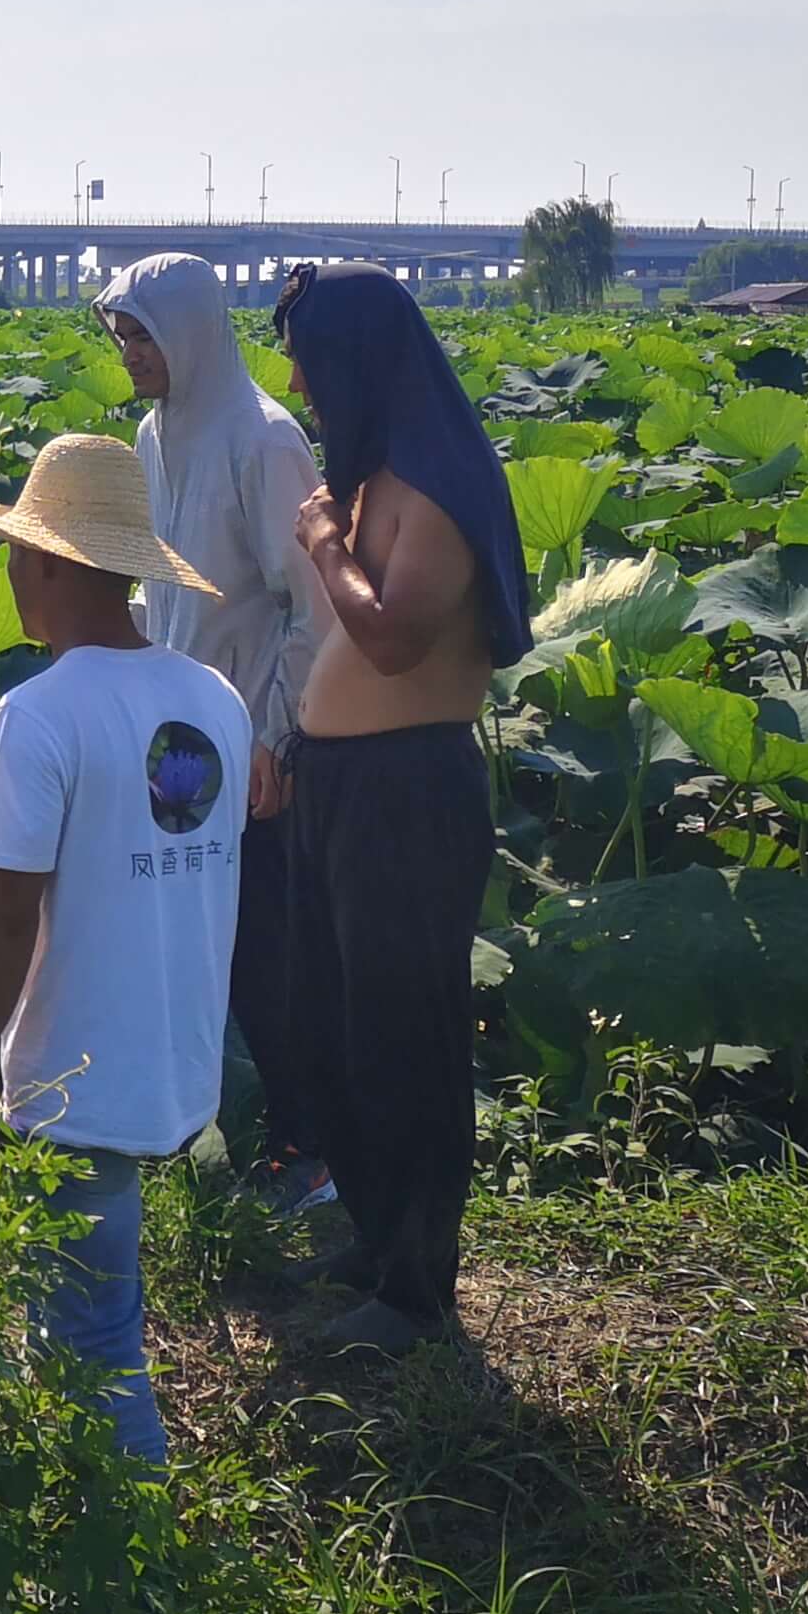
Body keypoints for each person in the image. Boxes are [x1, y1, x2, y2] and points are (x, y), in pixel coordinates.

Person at [0, 432, 245, 1466]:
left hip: (75, 1067)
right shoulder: (214, 700)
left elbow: (2, 914)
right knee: (78, 1310)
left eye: (15, 552)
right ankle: (76, 1512)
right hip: (175, 1052)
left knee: (95, 1339)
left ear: (51, 566)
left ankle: (131, 1567)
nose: (10, 572)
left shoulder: (39, 712)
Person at [270, 261, 534, 1355]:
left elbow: (390, 637)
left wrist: (325, 546)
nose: (296, 379)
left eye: (308, 360)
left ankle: (418, 1291)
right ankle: (375, 1242)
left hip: (404, 795)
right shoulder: (379, 472)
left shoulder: (433, 485)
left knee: (403, 1040)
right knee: (328, 1028)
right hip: (337, 786)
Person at [93, 253, 329, 1208]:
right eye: (121, 336)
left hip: (254, 739)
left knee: (268, 954)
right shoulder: (155, 434)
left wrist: (276, 734)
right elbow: (158, 588)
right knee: (193, 945)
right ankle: (199, 1134)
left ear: (189, 332)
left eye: (143, 335)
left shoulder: (264, 441)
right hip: (178, 740)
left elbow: (310, 607)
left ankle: (308, 1149)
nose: (131, 354)